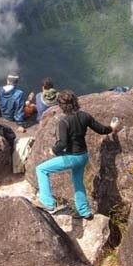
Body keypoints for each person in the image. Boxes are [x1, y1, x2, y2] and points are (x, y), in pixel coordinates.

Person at [34, 90, 119, 220]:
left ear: (61, 106)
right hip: (83, 156)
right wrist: (112, 127)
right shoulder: (85, 116)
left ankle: (47, 203)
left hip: (71, 158)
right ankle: (84, 211)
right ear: (75, 102)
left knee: (41, 169)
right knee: (77, 181)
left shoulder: (64, 122)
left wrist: (54, 150)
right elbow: (102, 130)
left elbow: (62, 143)